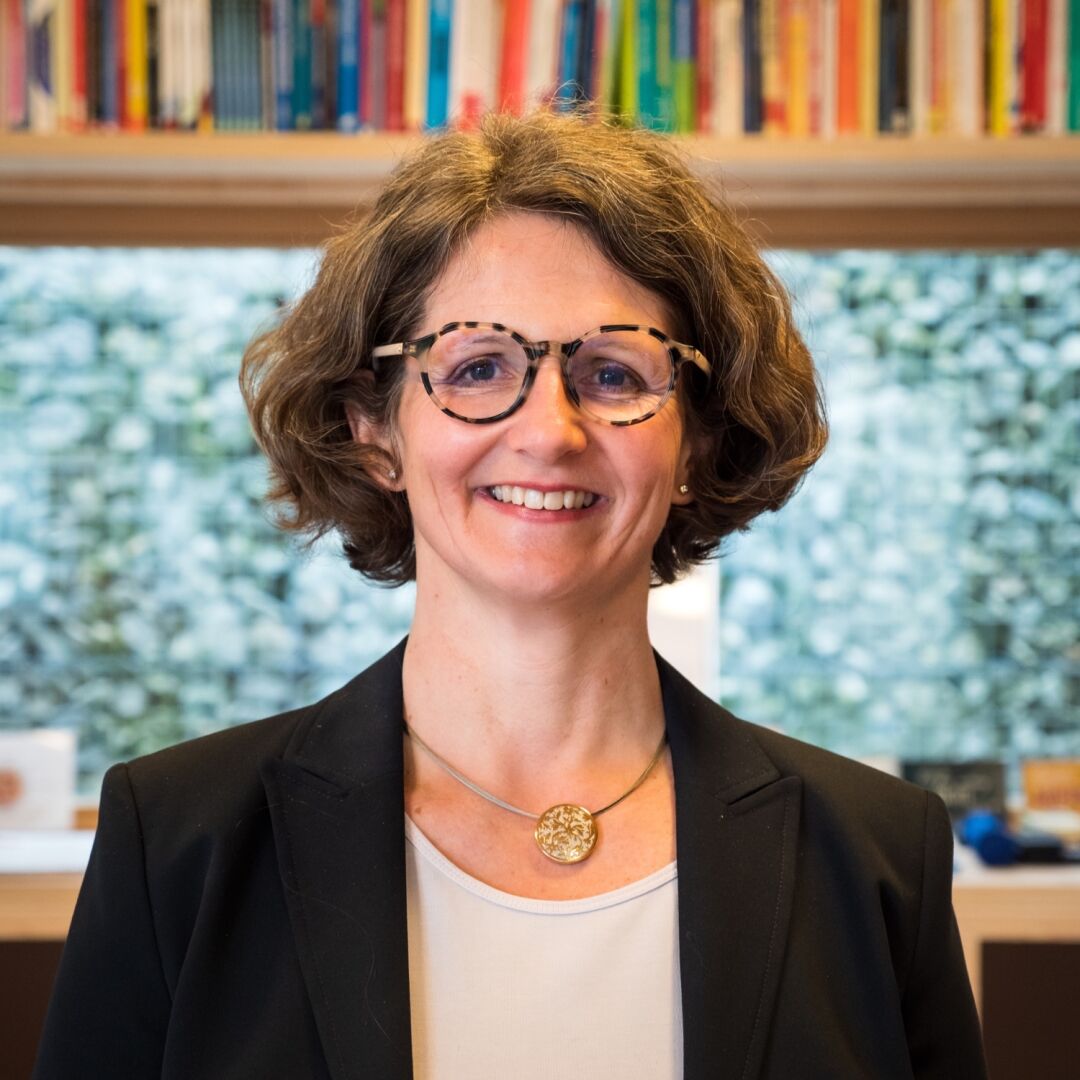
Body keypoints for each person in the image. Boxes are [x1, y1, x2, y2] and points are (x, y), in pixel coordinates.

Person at [34, 112, 987, 1080]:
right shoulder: (177, 846)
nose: (551, 431)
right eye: (479, 365)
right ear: (376, 429)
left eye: (613, 373)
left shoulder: (876, 859)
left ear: (697, 441)